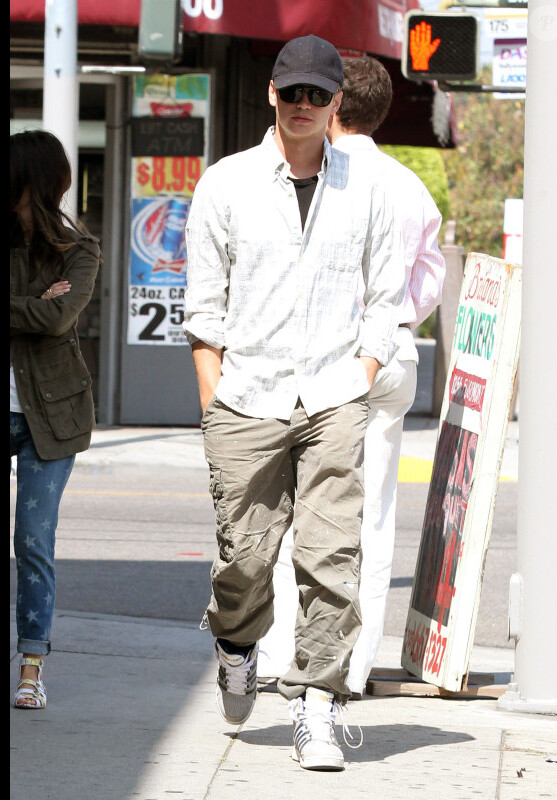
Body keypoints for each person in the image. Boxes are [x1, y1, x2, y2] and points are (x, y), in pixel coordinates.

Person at [183, 36, 405, 771]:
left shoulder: (369, 189)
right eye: (293, 93)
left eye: (319, 94)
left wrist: (365, 368)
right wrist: (213, 404)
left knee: (332, 556)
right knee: (245, 559)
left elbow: (386, 297)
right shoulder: (225, 183)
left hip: (335, 394)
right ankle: (238, 643)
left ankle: (317, 703)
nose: (304, 105)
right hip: (246, 395)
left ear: (338, 103)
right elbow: (203, 309)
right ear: (271, 94)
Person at [257, 55, 446, 697]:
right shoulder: (409, 186)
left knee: (298, 504)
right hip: (392, 356)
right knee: (372, 516)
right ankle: (352, 666)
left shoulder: (322, 176)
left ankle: (287, 651)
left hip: (329, 357)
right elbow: (427, 280)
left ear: (334, 105)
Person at [10, 130, 101, 709]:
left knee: (32, 541)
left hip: (51, 414)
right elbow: (42, 313)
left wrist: (45, 309)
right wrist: (37, 305)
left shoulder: (79, 250)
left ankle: (31, 665)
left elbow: (56, 319)